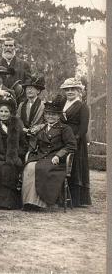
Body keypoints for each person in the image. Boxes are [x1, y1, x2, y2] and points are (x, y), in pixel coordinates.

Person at [22, 95, 77, 210]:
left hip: (56, 160)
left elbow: (71, 146)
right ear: (45, 115)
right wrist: (30, 152)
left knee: (41, 169)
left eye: (53, 114)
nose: (50, 116)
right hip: (41, 157)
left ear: (58, 116)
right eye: (47, 114)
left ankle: (40, 203)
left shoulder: (65, 129)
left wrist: (58, 155)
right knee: (29, 167)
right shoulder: (41, 128)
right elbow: (34, 143)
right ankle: (28, 201)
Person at [0, 94, 26, 209]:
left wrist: (16, 155)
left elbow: (23, 145)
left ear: (11, 113)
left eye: (6, 112)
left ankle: (6, 202)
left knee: (9, 167)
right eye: (1, 111)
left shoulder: (17, 125)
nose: (3, 114)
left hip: (13, 157)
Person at [59, 77, 91, 206]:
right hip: (61, 138)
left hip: (76, 141)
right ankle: (60, 197)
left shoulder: (83, 107)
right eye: (67, 90)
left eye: (73, 89)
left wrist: (74, 140)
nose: (70, 92)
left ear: (79, 91)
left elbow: (83, 128)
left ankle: (76, 199)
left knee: (74, 167)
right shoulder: (62, 103)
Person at [17, 75, 46, 151]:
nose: (29, 91)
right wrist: (23, 128)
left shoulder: (43, 105)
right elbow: (18, 119)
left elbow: (47, 122)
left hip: (37, 138)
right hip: (22, 137)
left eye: (32, 88)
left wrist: (38, 128)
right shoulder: (21, 105)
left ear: (38, 91)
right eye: (27, 88)